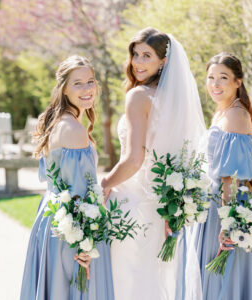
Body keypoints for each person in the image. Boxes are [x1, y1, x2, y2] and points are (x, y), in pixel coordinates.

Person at [101, 27, 206, 300]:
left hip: (132, 204)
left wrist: (105, 182)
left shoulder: (138, 97)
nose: (137, 62)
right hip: (163, 209)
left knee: (127, 281)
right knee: (156, 281)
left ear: (164, 61)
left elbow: (135, 159)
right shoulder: (175, 101)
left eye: (147, 55)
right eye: (135, 54)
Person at [20, 55, 114, 300]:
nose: (87, 89)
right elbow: (79, 196)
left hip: (53, 219)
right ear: (63, 88)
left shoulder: (59, 121)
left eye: (90, 81)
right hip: (70, 230)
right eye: (77, 83)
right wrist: (85, 243)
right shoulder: (73, 130)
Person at [192, 52, 252, 300]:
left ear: (238, 82)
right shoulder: (222, 113)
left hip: (226, 207)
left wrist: (227, 222)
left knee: (222, 280)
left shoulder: (235, 114)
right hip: (213, 206)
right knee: (210, 278)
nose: (215, 84)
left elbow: (229, 177)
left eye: (223, 78)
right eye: (211, 78)